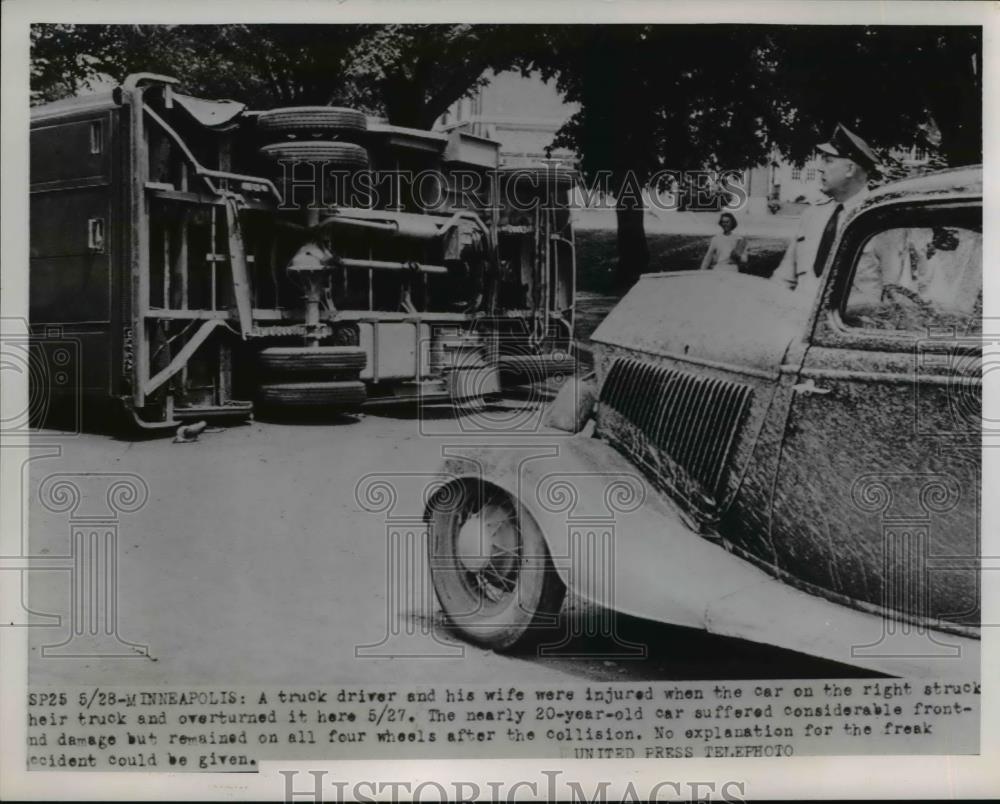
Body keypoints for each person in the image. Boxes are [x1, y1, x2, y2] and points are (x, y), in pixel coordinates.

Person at [774, 123, 880, 295]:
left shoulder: (879, 221)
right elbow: (783, 280)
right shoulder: (811, 216)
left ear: (850, 169)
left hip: (845, 321)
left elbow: (895, 298)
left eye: (828, 161)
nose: (820, 168)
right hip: (796, 318)